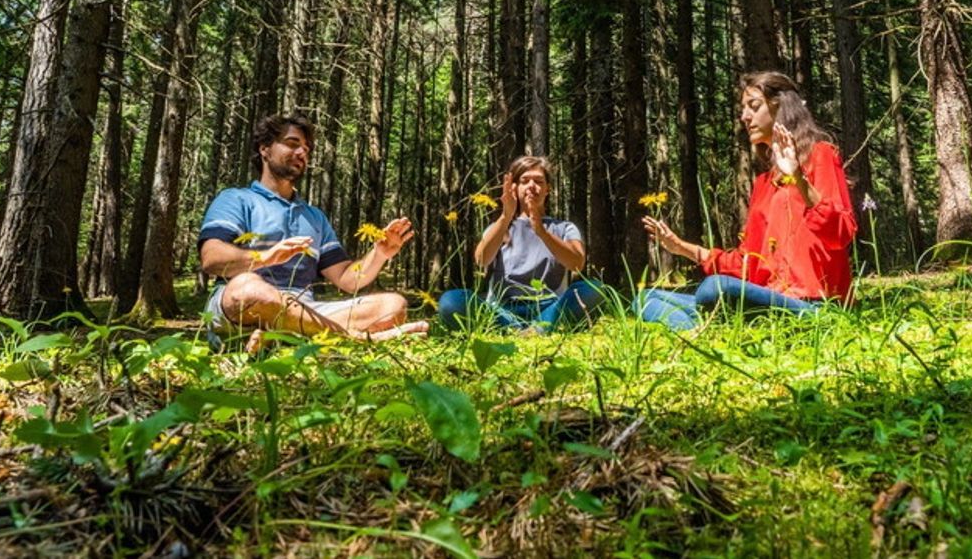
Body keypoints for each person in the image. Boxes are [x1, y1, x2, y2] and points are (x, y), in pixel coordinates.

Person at [634, 71, 856, 331]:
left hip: (816, 305)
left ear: (780, 105)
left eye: (754, 106)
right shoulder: (763, 184)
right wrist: (680, 247)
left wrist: (798, 177)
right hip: (767, 299)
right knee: (646, 299)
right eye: (743, 109)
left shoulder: (821, 155)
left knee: (714, 289)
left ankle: (714, 329)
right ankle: (713, 331)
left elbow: (841, 233)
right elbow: (745, 263)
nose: (744, 117)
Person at [199, 114, 428, 353]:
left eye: (306, 149)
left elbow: (347, 279)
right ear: (264, 149)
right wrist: (265, 258)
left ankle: (283, 337)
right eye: (292, 143)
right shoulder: (236, 199)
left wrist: (379, 253)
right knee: (248, 289)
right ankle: (349, 337)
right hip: (244, 304)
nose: (302, 153)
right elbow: (211, 258)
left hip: (306, 307)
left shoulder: (314, 217)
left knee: (393, 305)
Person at [438, 156, 605, 334]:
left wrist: (541, 230)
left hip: (550, 308)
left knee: (594, 289)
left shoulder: (564, 228)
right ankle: (521, 330)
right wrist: (505, 216)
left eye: (539, 181)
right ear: (514, 188)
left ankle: (535, 329)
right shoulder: (500, 227)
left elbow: (577, 263)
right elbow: (481, 259)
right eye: (525, 181)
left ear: (547, 189)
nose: (532, 185)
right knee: (451, 300)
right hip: (502, 310)